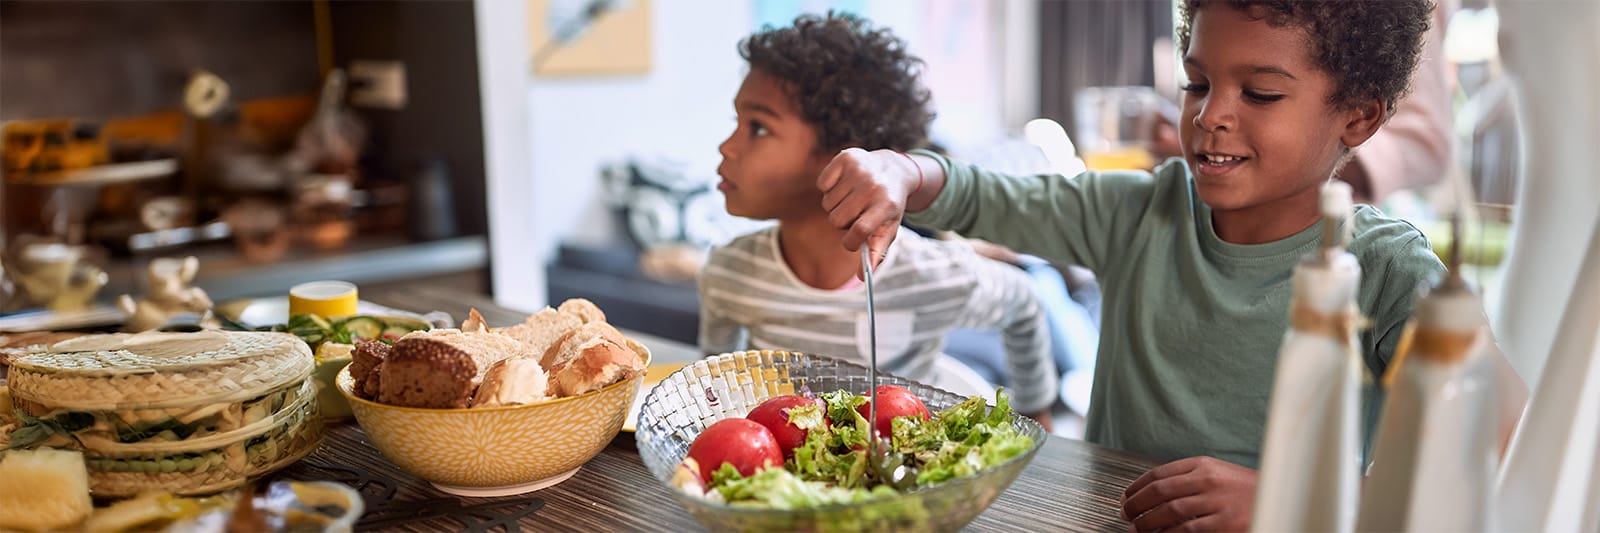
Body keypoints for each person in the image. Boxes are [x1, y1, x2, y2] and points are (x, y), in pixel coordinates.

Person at [817, 1, 1443, 530]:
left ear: (1358, 117)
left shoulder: (1387, 268)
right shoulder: (1138, 211)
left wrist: (1290, 504)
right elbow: (976, 194)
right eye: (1197, 84)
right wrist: (903, 169)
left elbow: (1490, 450)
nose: (1210, 116)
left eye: (1261, 93)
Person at [697, 13, 1058, 429]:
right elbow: (712, 394)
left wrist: (1037, 411)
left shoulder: (935, 274)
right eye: (736, 123)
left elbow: (1025, 304)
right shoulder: (728, 272)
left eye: (757, 128)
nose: (727, 146)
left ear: (847, 159)